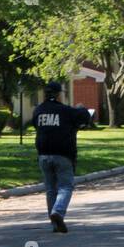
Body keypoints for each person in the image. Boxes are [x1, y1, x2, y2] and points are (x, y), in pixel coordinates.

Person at [31, 80, 92, 233]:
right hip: (63, 155)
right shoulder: (66, 111)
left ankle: (55, 224)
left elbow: (36, 125)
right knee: (65, 186)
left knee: (51, 189)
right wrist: (81, 108)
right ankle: (57, 212)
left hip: (43, 155)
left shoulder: (38, 111)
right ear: (59, 95)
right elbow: (85, 117)